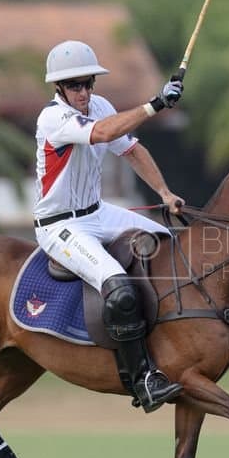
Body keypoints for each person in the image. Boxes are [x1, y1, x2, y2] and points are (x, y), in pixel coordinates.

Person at [33, 40, 186, 413]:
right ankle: (142, 380)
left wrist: (164, 192)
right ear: (59, 89)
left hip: (98, 212)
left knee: (170, 242)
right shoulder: (53, 118)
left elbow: (130, 149)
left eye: (88, 83)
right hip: (60, 226)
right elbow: (101, 134)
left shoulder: (99, 106)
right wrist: (156, 103)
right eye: (75, 86)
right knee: (117, 287)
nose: (84, 92)